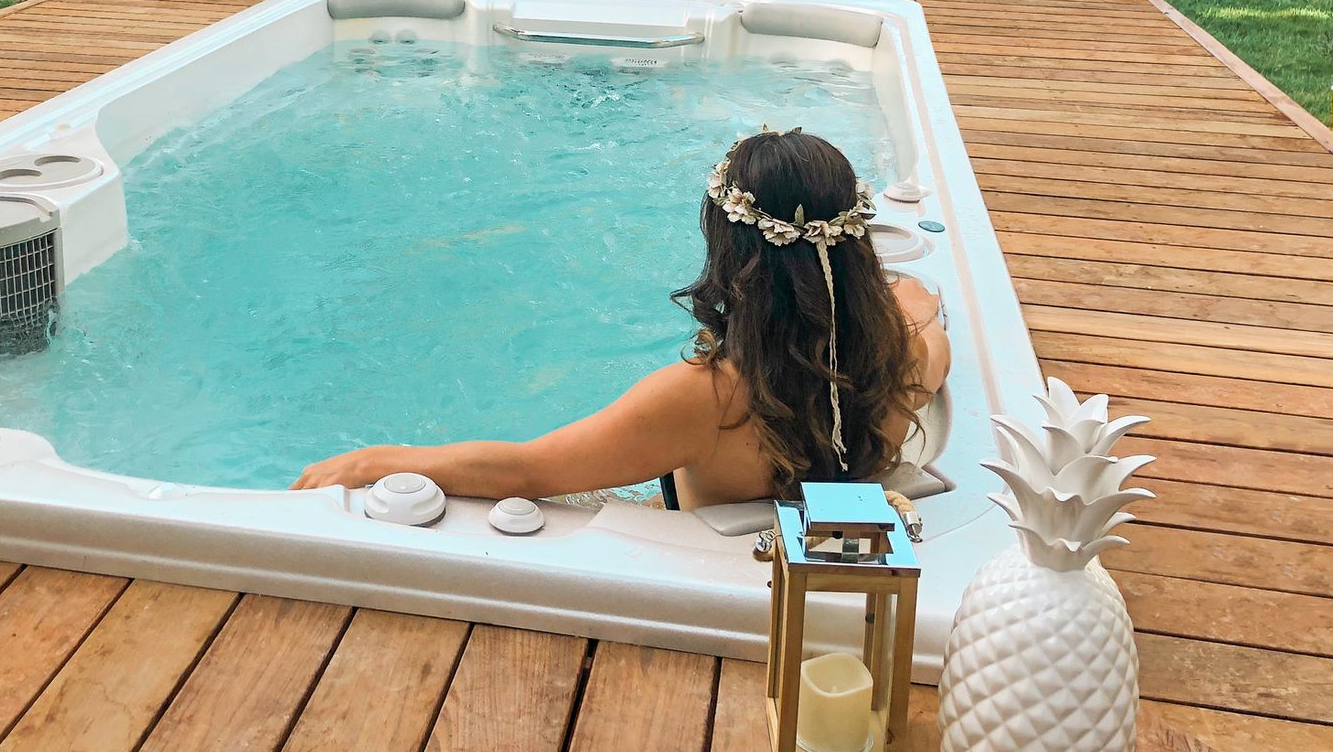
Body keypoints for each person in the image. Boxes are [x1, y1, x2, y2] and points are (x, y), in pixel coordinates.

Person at [292, 129, 950, 510]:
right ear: (856, 246)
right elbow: (921, 307)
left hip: (705, 588)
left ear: (732, 254)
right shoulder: (909, 354)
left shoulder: (706, 398)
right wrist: (902, 301)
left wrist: (376, 461)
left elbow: (529, 471)